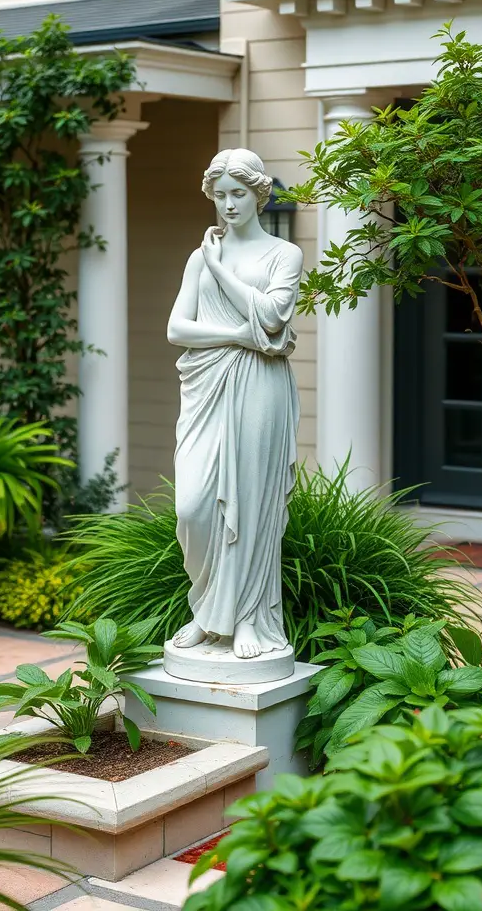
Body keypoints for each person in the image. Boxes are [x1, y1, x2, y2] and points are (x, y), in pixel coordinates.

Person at [167, 149, 304, 660]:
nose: (227, 204)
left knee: (250, 502)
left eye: (238, 194)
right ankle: (206, 609)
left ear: (259, 194)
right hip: (206, 387)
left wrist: (219, 269)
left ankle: (247, 617)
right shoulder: (195, 257)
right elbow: (177, 328)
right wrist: (236, 336)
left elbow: (271, 317)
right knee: (194, 506)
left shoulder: (282, 255)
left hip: (259, 388)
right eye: (220, 195)